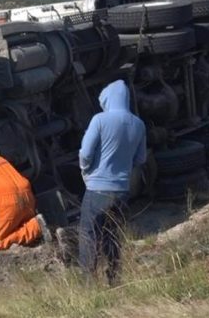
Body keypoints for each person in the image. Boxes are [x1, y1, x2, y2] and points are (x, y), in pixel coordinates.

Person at [78, 79, 146, 285]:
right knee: (112, 235)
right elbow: (141, 159)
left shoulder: (99, 120)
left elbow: (86, 153)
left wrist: (86, 169)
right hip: (122, 191)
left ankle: (89, 285)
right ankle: (114, 279)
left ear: (107, 99)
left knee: (88, 235)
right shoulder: (138, 124)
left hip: (97, 190)